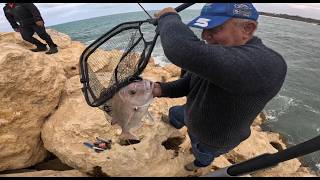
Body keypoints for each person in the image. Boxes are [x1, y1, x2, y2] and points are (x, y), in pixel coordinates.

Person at [153, 3, 287, 171]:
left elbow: (182, 50)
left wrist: (168, 16)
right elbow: (190, 82)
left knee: (201, 152)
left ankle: (200, 163)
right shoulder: (223, 52)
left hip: (214, 138)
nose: (205, 36)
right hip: (192, 113)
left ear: (247, 28)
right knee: (175, 113)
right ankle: (175, 123)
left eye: (214, 29)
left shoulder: (267, 64)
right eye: (204, 29)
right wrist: (160, 89)